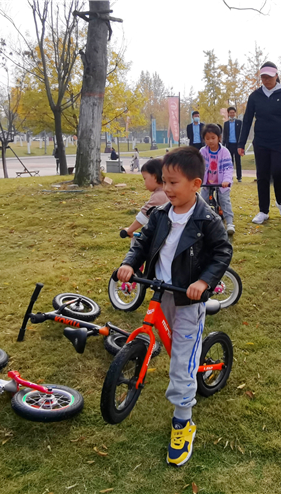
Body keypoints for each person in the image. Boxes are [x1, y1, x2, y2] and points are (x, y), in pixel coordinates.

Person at [116, 147, 233, 467]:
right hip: (161, 290)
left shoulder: (207, 220)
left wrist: (204, 282)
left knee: (181, 363)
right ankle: (179, 360)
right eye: (164, 182)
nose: (166, 188)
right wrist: (129, 263)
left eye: (173, 182)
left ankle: (183, 421)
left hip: (187, 297)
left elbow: (222, 253)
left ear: (195, 184)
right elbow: (142, 243)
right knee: (167, 342)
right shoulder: (161, 214)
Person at [237, 61, 281, 225]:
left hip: (280, 140)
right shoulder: (255, 96)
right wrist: (241, 143)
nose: (266, 80)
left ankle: (280, 201)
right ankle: (263, 211)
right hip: (261, 141)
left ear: (276, 76)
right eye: (263, 77)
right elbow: (247, 120)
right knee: (263, 175)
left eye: (269, 77)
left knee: (279, 171)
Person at [200, 124, 236, 235]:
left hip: (222, 182)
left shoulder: (224, 152)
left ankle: (229, 223)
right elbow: (199, 166)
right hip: (207, 182)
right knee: (202, 201)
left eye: (213, 138)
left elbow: (228, 168)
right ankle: (202, 222)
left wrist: (226, 180)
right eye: (207, 138)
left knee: (224, 201)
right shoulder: (202, 152)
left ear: (219, 138)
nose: (210, 141)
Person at [124, 159, 168, 237]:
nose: (144, 183)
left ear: (154, 177)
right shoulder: (167, 192)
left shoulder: (159, 196)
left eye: (145, 178)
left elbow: (144, 215)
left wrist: (129, 230)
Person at [223, 107, 243, 182]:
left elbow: (241, 134)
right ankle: (229, 177)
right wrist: (223, 144)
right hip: (229, 145)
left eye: (233, 112)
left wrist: (241, 144)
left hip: (237, 145)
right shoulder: (226, 124)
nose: (232, 114)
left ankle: (239, 177)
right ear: (228, 114)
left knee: (238, 161)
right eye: (230, 113)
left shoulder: (239, 122)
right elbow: (225, 135)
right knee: (230, 162)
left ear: (235, 113)